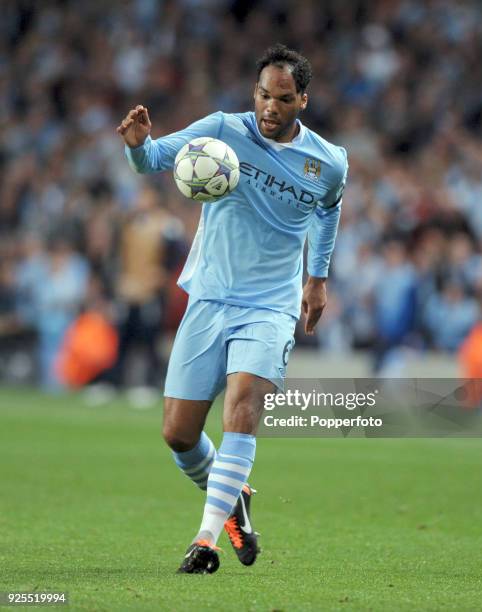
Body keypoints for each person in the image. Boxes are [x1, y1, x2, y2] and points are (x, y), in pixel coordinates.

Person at [117, 44, 348, 574]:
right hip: (210, 296)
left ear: (302, 101)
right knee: (178, 433)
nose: (270, 106)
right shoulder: (223, 130)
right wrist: (137, 146)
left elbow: (328, 211)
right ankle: (234, 499)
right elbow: (152, 159)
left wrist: (317, 279)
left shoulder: (328, 162)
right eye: (263, 94)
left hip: (269, 305)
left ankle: (205, 541)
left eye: (283, 98)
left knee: (241, 407)